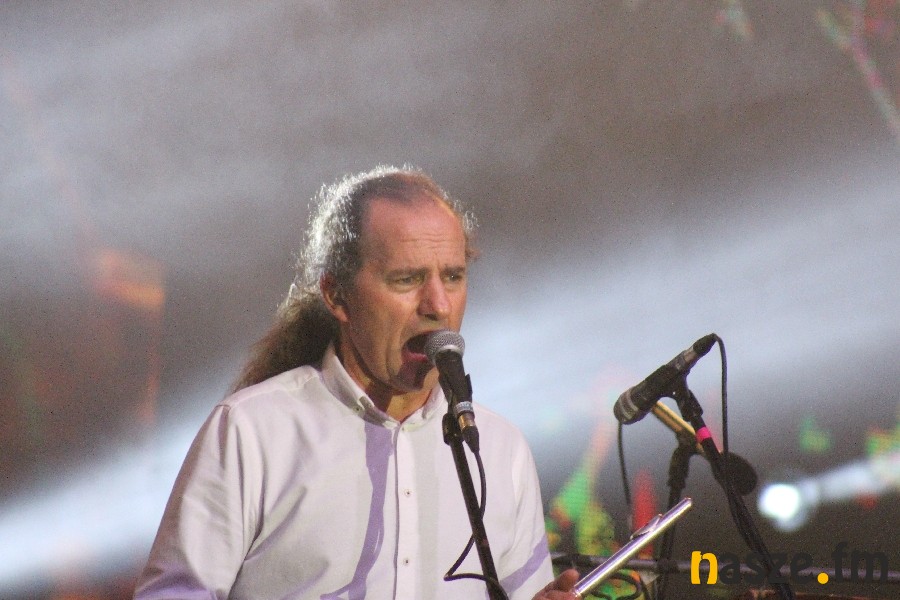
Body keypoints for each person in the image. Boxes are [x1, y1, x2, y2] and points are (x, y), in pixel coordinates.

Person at [133, 166, 579, 599]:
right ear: (336, 295)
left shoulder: (501, 450)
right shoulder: (252, 431)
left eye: (453, 276)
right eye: (407, 279)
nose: (438, 305)